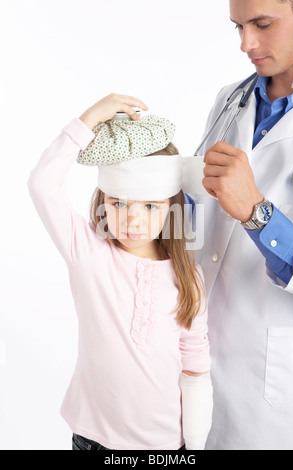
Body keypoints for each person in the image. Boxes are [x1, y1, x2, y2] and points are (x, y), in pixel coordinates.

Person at [27, 93, 213, 451]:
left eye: (150, 205)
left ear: (171, 205)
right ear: (103, 199)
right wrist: (89, 119)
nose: (132, 219)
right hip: (92, 438)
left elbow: (195, 368)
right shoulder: (87, 252)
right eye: (118, 203)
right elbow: (41, 185)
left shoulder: (189, 279)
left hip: (164, 444)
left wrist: (195, 443)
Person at [193, 0, 293, 450]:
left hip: (269, 381)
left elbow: (244, 208)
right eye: (238, 26)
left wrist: (258, 211)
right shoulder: (230, 99)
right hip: (192, 360)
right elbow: (202, 212)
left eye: (261, 24)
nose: (245, 44)